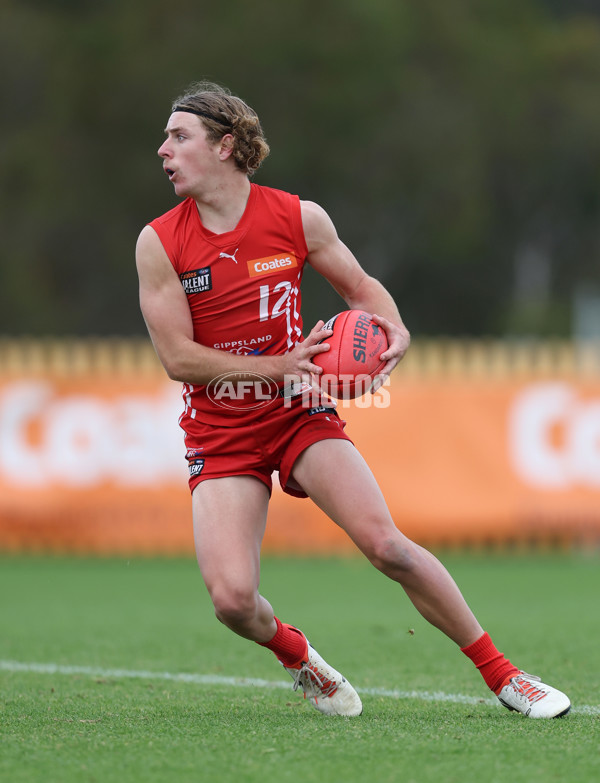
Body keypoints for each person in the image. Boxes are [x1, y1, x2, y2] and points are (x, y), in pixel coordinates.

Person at [136, 81, 570, 719]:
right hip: (220, 430)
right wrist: (277, 365)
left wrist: (392, 334)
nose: (163, 150)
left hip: (298, 412)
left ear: (225, 145)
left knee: (387, 545)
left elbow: (363, 289)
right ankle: (299, 656)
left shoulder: (296, 217)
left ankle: (506, 676)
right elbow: (178, 359)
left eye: (179, 137)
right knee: (232, 600)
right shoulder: (160, 242)